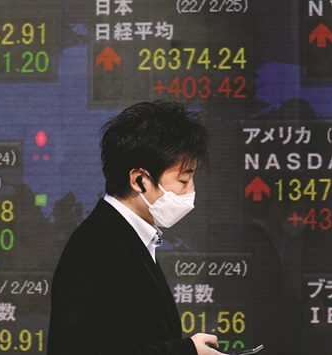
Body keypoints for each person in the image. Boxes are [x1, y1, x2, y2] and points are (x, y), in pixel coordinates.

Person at [47, 100, 222, 355]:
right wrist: (186, 351)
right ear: (139, 180)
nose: (191, 191)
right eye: (184, 180)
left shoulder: (128, 237)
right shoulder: (95, 247)